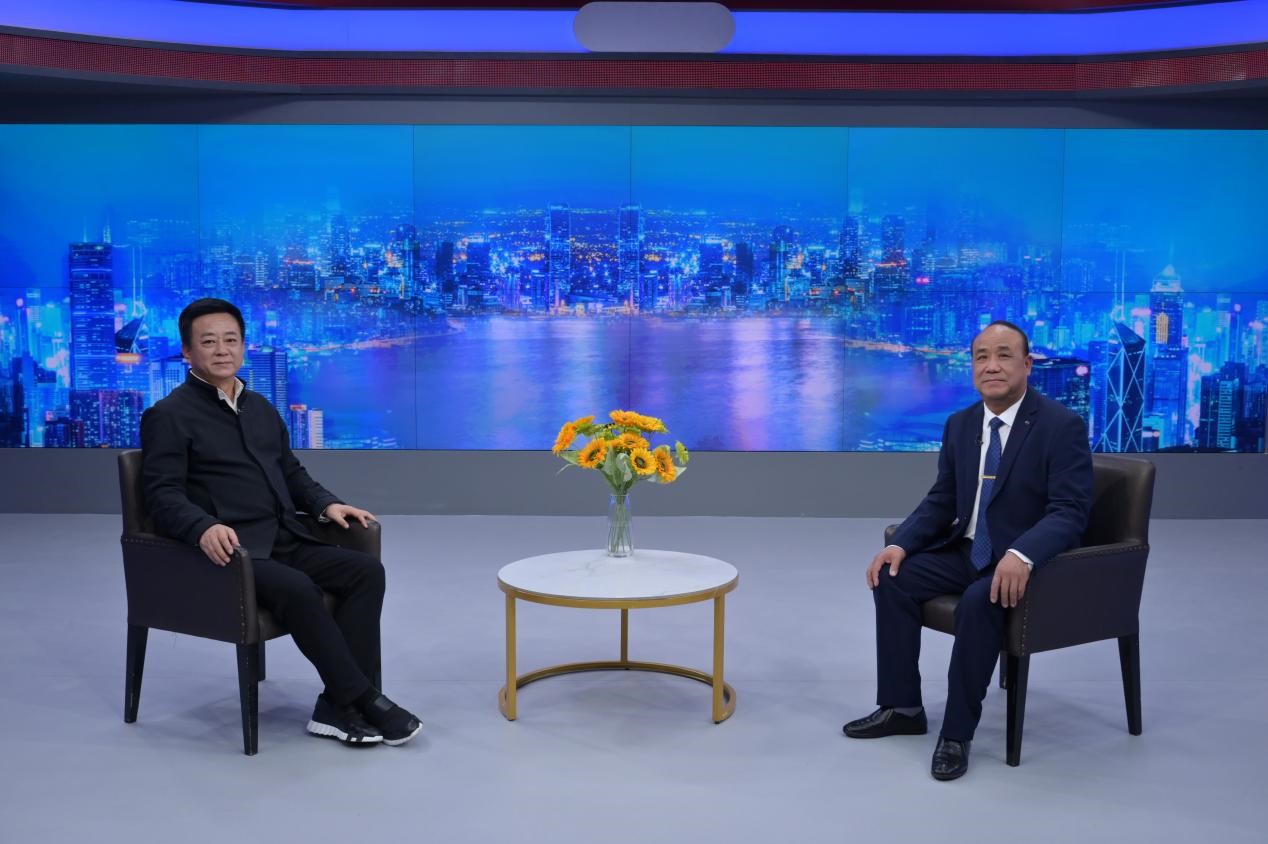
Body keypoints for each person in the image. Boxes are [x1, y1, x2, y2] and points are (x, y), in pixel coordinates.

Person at [141, 298, 422, 747]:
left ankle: (335, 707)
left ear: (243, 346)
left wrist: (327, 505)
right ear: (188, 352)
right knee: (298, 588)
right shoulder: (169, 415)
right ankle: (364, 699)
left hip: (284, 536)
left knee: (366, 571)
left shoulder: (259, 408)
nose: (221, 350)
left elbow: (290, 472)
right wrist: (202, 527)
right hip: (231, 553)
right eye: (208, 342)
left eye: (230, 340)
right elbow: (161, 494)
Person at [843, 320, 1092, 780]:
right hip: (970, 550)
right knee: (893, 578)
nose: (991, 366)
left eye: (1003, 355)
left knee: (981, 600)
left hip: (1026, 562)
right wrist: (901, 543)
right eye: (982, 357)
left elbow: (1069, 512)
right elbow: (942, 499)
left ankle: (957, 733)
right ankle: (902, 707)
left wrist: (1022, 554)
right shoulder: (961, 424)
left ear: (1027, 365)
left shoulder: (1061, 426)